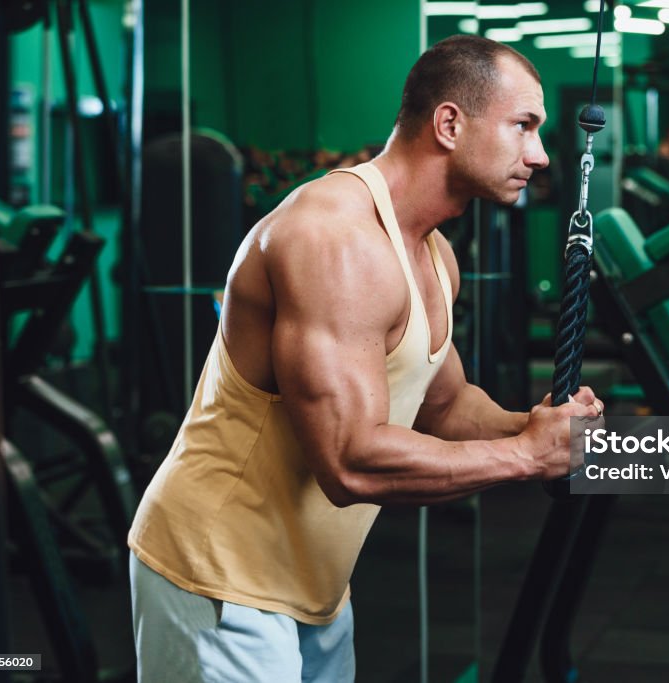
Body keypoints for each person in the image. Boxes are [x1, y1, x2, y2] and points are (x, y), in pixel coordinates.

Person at [128, 35, 603, 682]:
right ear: (448, 123)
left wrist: (538, 425)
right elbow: (348, 459)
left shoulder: (433, 253)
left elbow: (445, 403)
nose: (541, 155)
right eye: (523, 126)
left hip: (316, 584)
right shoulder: (335, 240)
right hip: (217, 575)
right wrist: (527, 455)